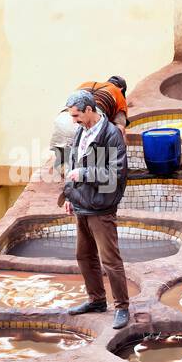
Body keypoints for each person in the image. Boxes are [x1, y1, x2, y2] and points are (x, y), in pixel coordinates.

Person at [60, 89, 132, 329]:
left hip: (101, 208)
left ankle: (122, 307)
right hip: (81, 204)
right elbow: (73, 162)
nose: (74, 120)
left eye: (77, 115)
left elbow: (114, 175)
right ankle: (97, 300)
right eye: (72, 116)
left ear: (90, 110)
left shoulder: (111, 136)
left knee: (110, 260)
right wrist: (70, 195)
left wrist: (83, 174)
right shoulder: (81, 131)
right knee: (84, 256)